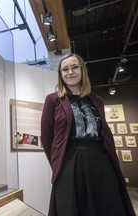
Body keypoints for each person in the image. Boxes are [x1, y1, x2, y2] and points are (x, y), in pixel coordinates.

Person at [40, 53, 135, 216]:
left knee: (107, 205)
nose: (70, 72)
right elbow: (46, 137)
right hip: (69, 162)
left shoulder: (96, 99)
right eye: (65, 69)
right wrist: (57, 162)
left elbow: (105, 132)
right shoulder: (53, 100)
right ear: (60, 74)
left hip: (101, 161)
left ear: (83, 70)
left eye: (74, 67)